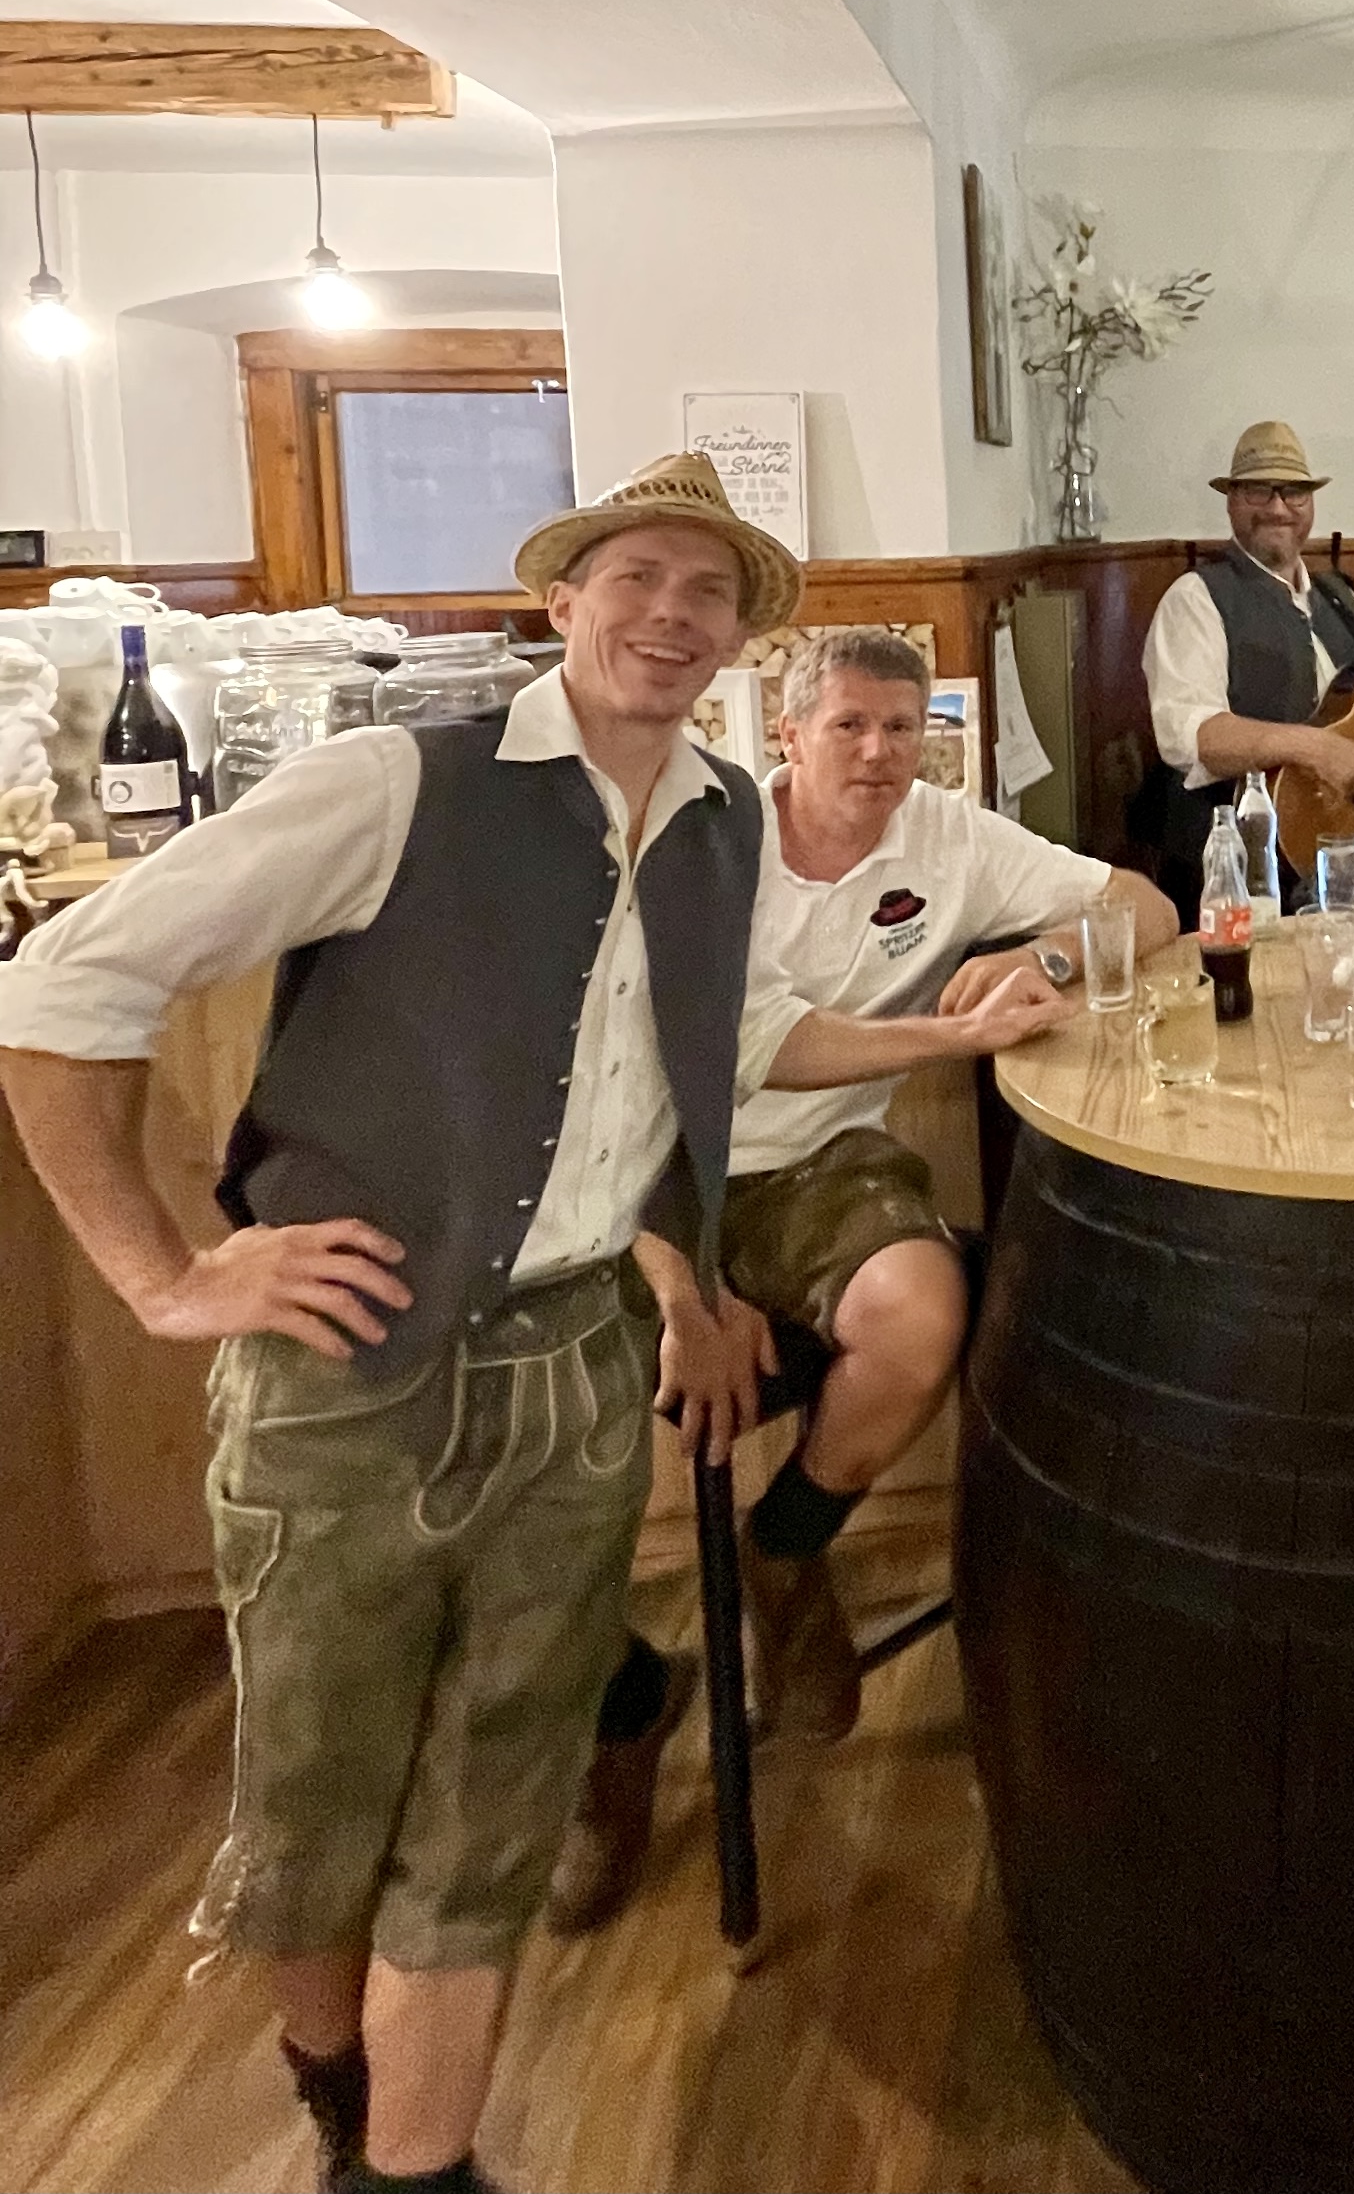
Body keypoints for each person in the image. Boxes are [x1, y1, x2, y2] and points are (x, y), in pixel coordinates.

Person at [0, 455, 1077, 2194]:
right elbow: (64, 983)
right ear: (561, 600)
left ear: (738, 640)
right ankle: (337, 2107)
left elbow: (733, 1047)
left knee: (496, 1797)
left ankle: (418, 2168)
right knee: (320, 1794)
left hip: (575, 1366)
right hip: (347, 1373)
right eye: (636, 575)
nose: (670, 612)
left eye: (708, 590)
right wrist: (166, 1277)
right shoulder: (394, 785)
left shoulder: (718, 820)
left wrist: (934, 1050)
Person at [546, 626, 1181, 1937]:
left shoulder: (946, 835)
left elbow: (1148, 905)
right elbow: (635, 1084)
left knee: (925, 1312)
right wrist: (686, 1295)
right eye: (849, 725)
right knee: (527, 1432)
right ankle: (620, 1708)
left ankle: (782, 1555)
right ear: (784, 735)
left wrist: (1051, 959)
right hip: (646, 1175)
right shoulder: (700, 840)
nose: (881, 753)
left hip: (820, 1164)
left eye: (904, 727)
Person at [1141, 419, 1354, 919]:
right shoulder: (1195, 599)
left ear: (1310, 503)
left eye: (1294, 492)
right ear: (1231, 501)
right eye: (1258, 491)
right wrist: (1317, 749)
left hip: (1351, 856)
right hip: (1242, 873)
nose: (1278, 508)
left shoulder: (1344, 601)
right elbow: (1194, 737)